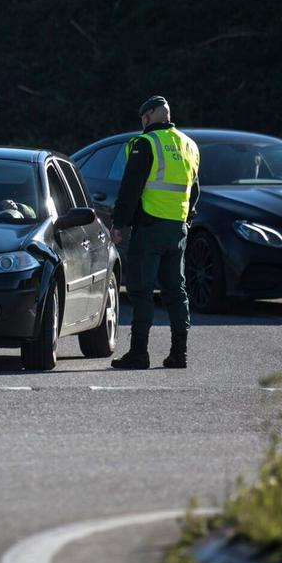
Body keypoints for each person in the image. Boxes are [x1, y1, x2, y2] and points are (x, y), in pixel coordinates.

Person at [109, 95, 200, 370]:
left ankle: (139, 353)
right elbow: (194, 190)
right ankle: (179, 354)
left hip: (149, 228)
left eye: (142, 119)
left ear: (148, 117)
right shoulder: (189, 145)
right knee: (176, 291)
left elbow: (130, 189)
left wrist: (119, 224)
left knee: (141, 290)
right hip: (177, 229)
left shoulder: (145, 144)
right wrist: (186, 221)